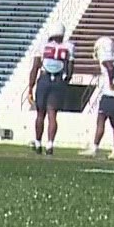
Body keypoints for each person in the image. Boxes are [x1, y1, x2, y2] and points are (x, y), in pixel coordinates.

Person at [24, 21, 73, 155]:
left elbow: (35, 67)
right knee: (52, 115)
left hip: (44, 79)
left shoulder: (42, 45)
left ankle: (38, 142)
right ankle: (50, 144)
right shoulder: (68, 46)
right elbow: (70, 69)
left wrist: (30, 87)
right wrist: (65, 82)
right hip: (58, 80)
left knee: (40, 114)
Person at [81, 36, 114, 159]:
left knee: (101, 121)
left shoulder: (106, 58)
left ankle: (94, 148)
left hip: (109, 94)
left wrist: (111, 82)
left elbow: (110, 67)